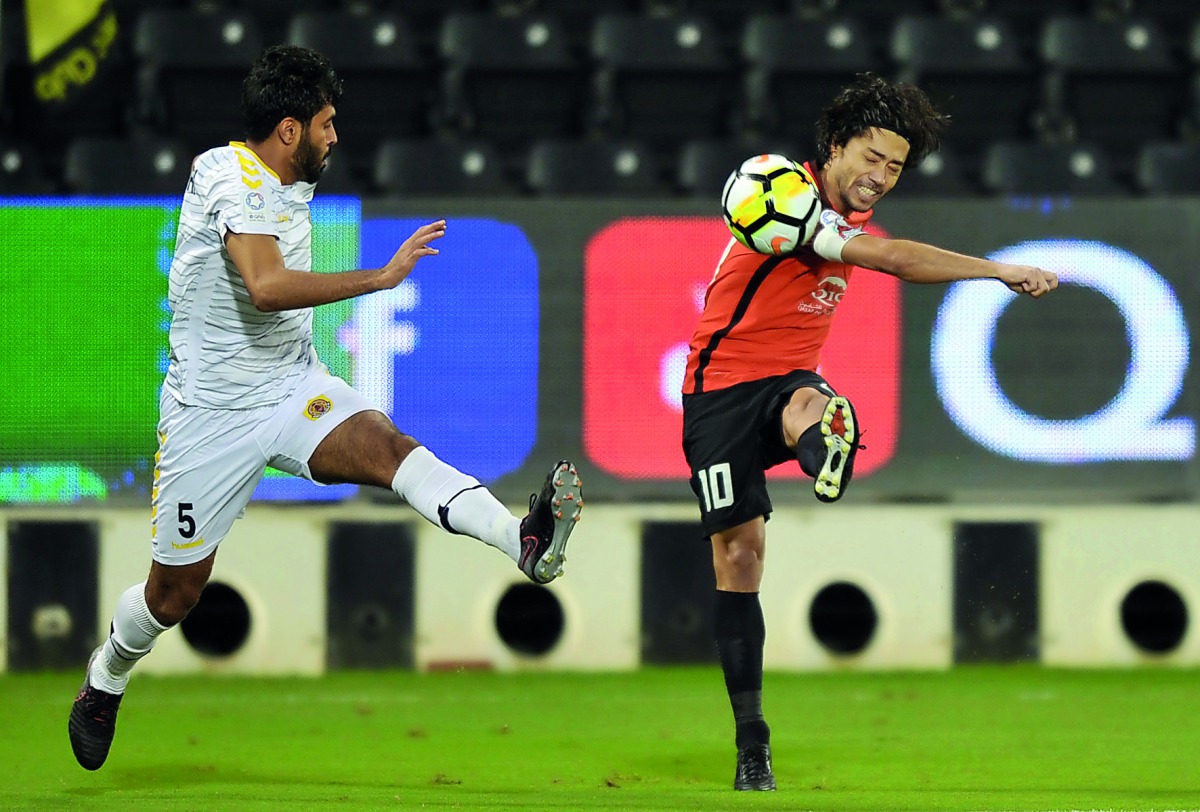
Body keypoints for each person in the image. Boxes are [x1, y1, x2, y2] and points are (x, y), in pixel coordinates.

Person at [68, 45, 583, 772]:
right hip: (208, 416)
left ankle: (522, 541)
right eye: (326, 123)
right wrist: (381, 275)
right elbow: (268, 288)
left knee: (392, 450)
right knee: (173, 596)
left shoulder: (290, 183)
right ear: (288, 130)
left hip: (289, 386)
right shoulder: (227, 176)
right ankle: (106, 678)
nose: (335, 136)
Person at [681, 73, 1058, 792]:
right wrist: (997, 270)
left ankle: (824, 444)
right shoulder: (781, 186)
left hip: (789, 377)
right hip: (718, 392)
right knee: (741, 560)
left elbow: (877, 250)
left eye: (895, 167)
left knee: (804, 405)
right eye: (872, 157)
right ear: (834, 147)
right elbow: (885, 258)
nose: (881, 176)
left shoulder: (842, 223)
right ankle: (751, 743)